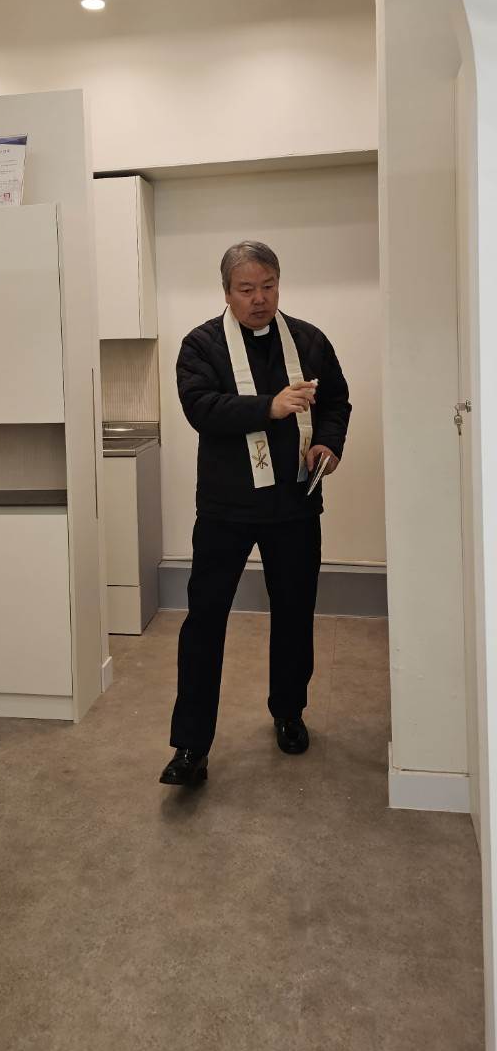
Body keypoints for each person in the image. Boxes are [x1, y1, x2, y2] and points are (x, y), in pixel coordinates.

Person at [159, 239, 351, 787]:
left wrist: (328, 443)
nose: (260, 299)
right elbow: (201, 409)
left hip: (294, 502)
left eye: (268, 286)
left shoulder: (309, 340)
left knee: (294, 611)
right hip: (227, 506)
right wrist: (270, 406)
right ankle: (191, 744)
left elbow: (335, 401)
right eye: (247, 289)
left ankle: (289, 712)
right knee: (204, 620)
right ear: (226, 292)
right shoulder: (201, 344)